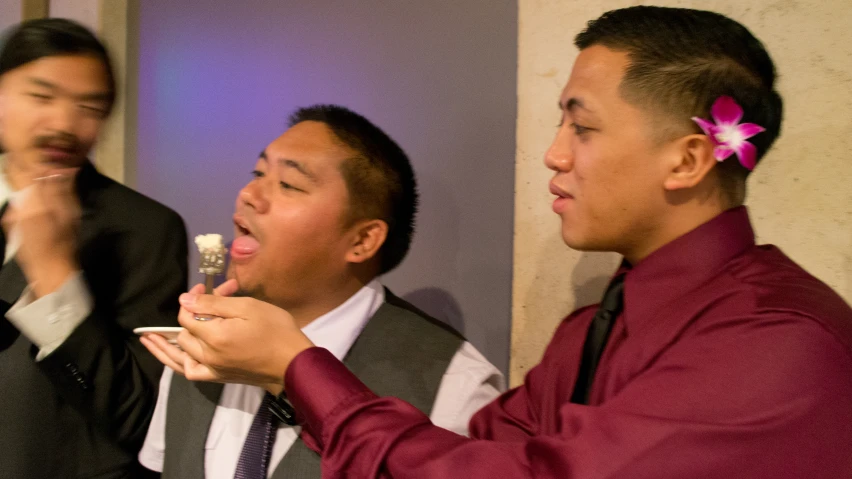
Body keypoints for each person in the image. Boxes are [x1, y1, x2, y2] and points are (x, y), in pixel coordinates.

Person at [168, 6, 852, 478]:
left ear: (687, 159)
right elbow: (475, 452)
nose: (554, 156)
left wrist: (296, 366)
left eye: (581, 128)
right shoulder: (591, 327)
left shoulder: (778, 338)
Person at [139, 105, 504, 478]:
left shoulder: (454, 385)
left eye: (288, 185)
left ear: (362, 240)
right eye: (257, 173)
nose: (248, 194)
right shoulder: (202, 338)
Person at [0, 18, 187, 478]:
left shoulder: (145, 230)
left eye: (89, 106)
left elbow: (141, 418)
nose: (64, 124)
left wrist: (55, 277)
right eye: (42, 97)